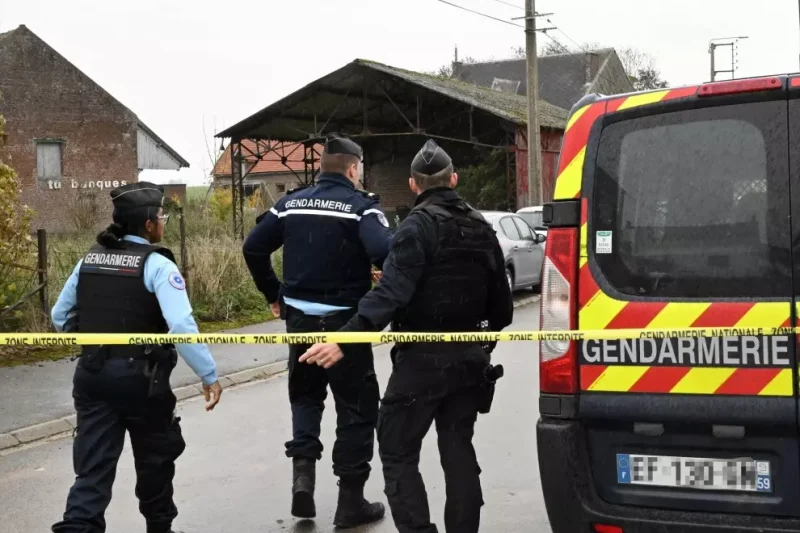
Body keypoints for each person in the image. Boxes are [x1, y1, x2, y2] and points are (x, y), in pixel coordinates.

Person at [301, 139, 514, 533]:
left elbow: (389, 294)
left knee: (398, 451)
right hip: (470, 362)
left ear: (414, 185)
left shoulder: (416, 227)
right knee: (458, 450)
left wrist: (344, 339)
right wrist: (479, 346)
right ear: (454, 179)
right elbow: (502, 311)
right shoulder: (482, 228)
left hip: (421, 364)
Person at [50, 182, 223, 533]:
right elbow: (181, 325)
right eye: (162, 216)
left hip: (93, 375)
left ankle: (78, 526)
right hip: (143, 382)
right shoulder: (157, 264)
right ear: (148, 225)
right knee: (155, 463)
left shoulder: (90, 259)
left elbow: (59, 316)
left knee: (92, 470)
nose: (164, 222)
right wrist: (209, 374)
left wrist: (94, 343)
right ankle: (160, 528)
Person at [242, 133, 391, 528]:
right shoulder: (360, 209)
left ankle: (302, 481)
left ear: (323, 167)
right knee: (356, 410)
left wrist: (274, 294)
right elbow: (384, 251)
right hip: (346, 327)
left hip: (300, 323)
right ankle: (350, 502)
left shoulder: (289, 204)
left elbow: (253, 248)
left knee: (306, 399)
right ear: (354, 168)